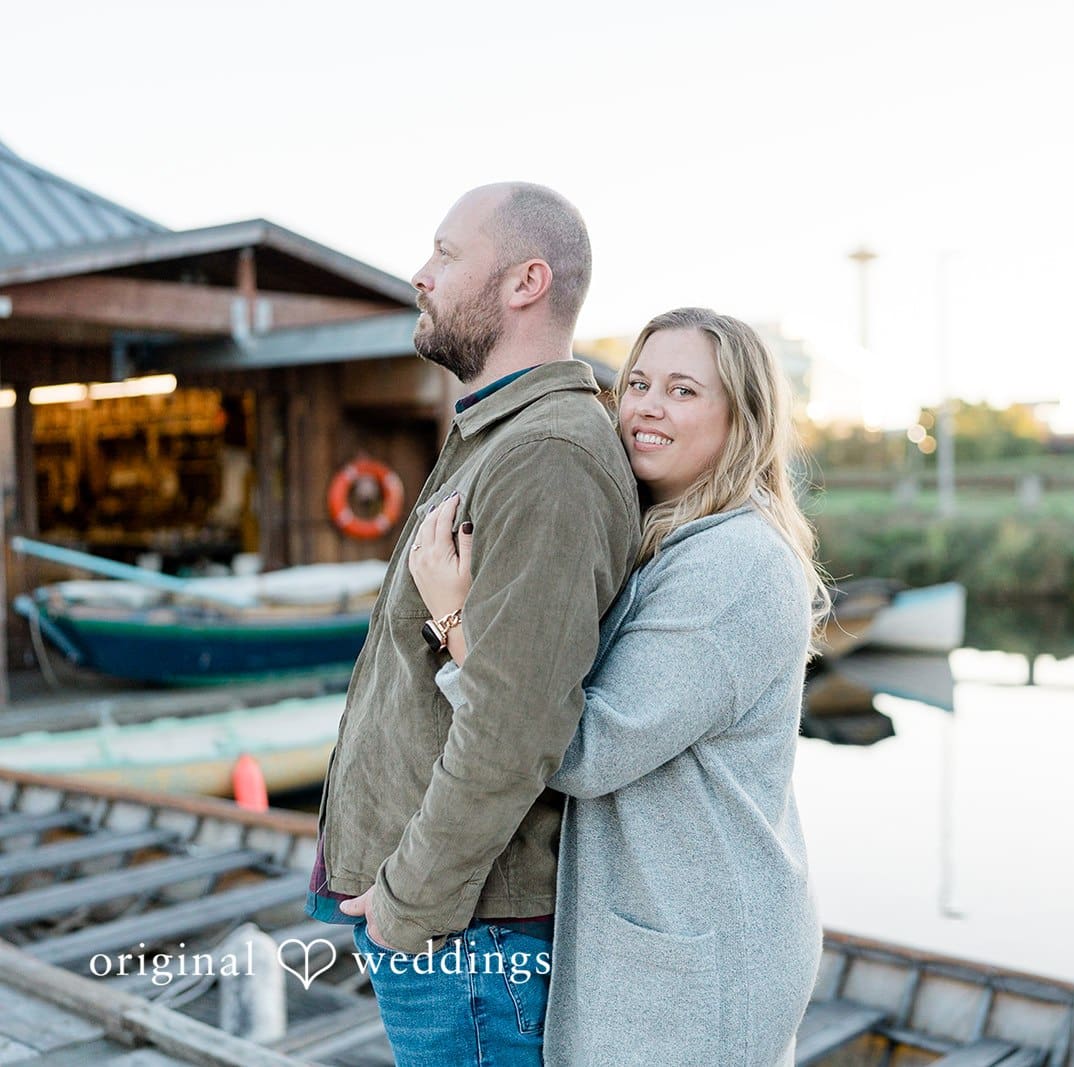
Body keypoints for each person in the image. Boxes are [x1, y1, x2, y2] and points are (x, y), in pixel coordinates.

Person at [410, 307, 826, 1066]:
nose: (646, 407)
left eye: (682, 390)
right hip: (673, 932)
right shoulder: (675, 537)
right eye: (637, 382)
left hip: (697, 955)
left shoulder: (734, 565)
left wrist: (455, 619)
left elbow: (585, 751)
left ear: (745, 418)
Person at [308, 182, 641, 1067]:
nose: (421, 275)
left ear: (526, 281)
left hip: (465, 938)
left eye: (446, 254)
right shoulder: (496, 437)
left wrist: (407, 904)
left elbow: (515, 722)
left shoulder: (548, 457)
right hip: (448, 930)